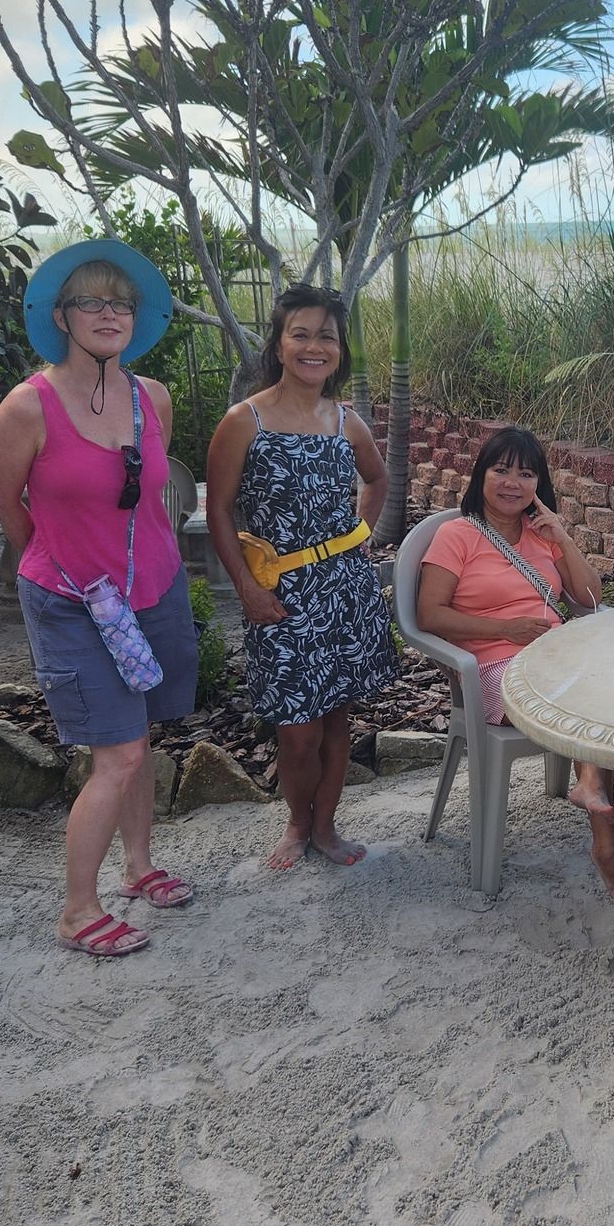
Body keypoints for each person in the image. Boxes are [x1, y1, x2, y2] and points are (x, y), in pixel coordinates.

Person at [0, 239, 199, 958]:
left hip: (154, 589)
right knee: (118, 757)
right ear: (60, 315)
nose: (110, 314)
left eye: (122, 303)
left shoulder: (152, 397)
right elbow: (12, 512)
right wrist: (67, 565)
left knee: (140, 741)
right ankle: (78, 910)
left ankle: (138, 869)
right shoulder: (25, 408)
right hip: (76, 602)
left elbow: (150, 495)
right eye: (92, 301)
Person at [415, 427, 614, 908]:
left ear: (538, 485)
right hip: (493, 668)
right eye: (500, 470)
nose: (512, 483)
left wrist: (561, 536)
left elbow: (589, 599)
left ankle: (589, 785)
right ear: (480, 475)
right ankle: (607, 846)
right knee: (589, 696)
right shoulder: (455, 535)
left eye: (525, 474)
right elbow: (428, 616)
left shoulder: (540, 535)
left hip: (554, 658)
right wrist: (506, 631)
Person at [206, 284, 398, 871]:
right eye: (302, 334)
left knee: (337, 718)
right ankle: (295, 822)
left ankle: (325, 827)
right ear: (280, 343)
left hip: (346, 592)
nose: (315, 347)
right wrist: (246, 586)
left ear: (339, 350)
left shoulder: (346, 422)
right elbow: (218, 509)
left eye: (327, 337)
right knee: (297, 732)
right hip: (281, 595)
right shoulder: (246, 420)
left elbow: (378, 481)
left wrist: (357, 537)